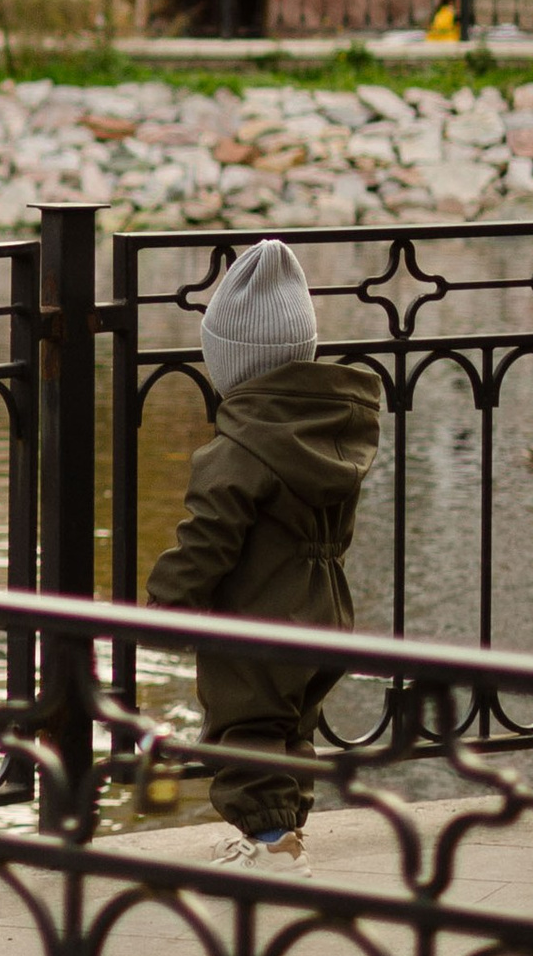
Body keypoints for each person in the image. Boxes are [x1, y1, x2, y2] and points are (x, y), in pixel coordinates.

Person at [143, 239, 379, 866]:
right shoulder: (336, 432)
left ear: (229, 365)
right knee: (293, 726)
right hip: (327, 606)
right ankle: (285, 833)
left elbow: (209, 537)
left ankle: (272, 847)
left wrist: (169, 599)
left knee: (244, 730)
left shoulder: (238, 451)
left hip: (260, 613)